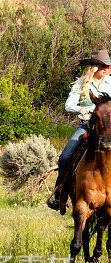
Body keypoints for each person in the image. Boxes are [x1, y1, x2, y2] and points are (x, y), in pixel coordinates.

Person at [48, 49, 111, 210]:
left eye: (108, 66)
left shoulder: (110, 83)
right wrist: (80, 109)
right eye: (103, 66)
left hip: (108, 127)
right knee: (65, 157)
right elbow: (68, 105)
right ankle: (58, 193)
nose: (107, 68)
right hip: (87, 126)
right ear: (95, 67)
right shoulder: (81, 83)